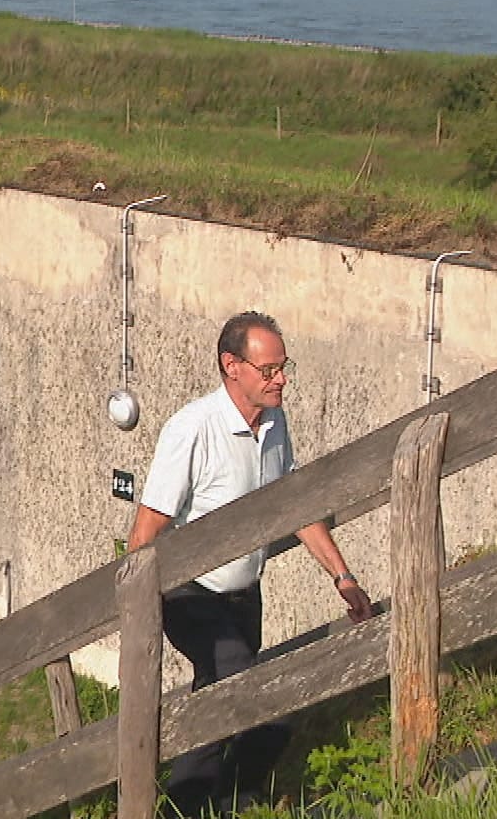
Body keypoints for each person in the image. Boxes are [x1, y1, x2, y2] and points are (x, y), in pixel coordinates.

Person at [127, 310, 373, 817]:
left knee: (214, 700)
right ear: (231, 366)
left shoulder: (276, 423)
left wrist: (343, 577)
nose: (281, 379)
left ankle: (197, 803)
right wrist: (139, 616)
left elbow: (296, 507)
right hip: (191, 594)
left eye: (284, 368)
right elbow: (146, 529)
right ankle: (234, 795)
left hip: (244, 593)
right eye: (269, 370)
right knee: (259, 695)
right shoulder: (192, 429)